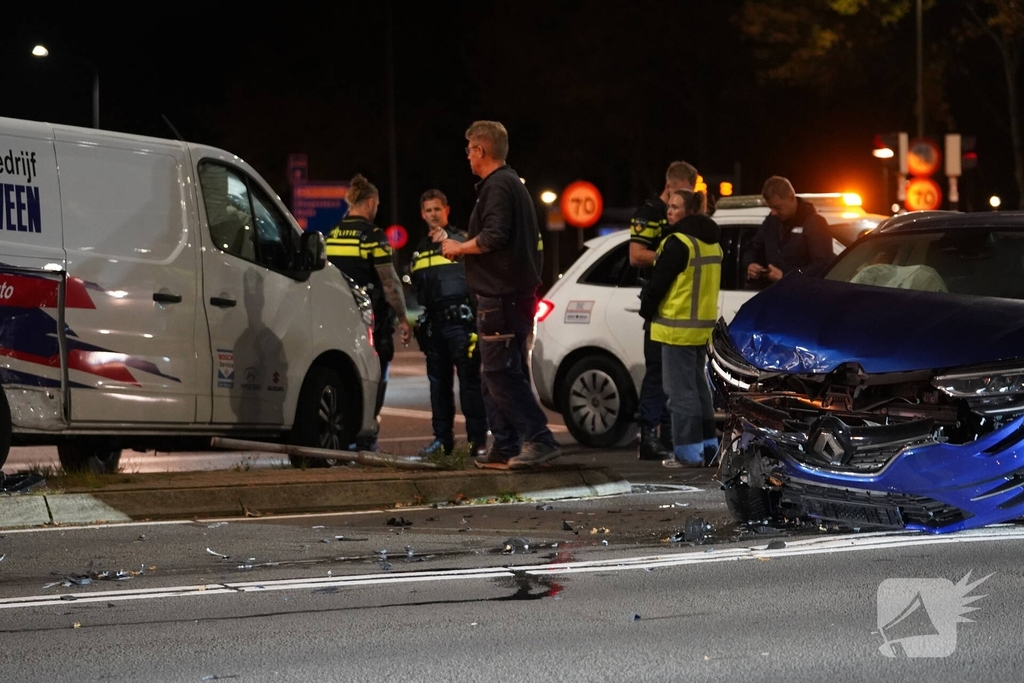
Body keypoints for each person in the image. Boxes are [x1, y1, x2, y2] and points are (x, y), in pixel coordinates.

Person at [440, 120, 562, 470]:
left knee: (500, 373)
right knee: (496, 372)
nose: (467, 157)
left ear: (480, 150)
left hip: (502, 297)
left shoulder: (497, 187)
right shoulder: (511, 184)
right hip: (512, 296)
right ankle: (506, 444)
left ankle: (539, 440)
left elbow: (494, 236)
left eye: (469, 150)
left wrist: (459, 247)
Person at [325, 173, 411, 450]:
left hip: (338, 319)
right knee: (376, 376)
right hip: (371, 321)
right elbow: (389, 282)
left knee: (344, 374)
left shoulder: (333, 233)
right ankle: (366, 434)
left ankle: (342, 433)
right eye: (377, 205)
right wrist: (402, 317)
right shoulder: (373, 236)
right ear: (371, 202)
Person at [639, 189, 722, 468]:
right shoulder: (712, 242)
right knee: (699, 391)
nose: (669, 212)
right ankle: (708, 450)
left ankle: (688, 455)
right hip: (701, 330)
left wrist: (645, 310)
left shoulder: (677, 243)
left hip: (676, 330)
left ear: (688, 211)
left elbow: (657, 285)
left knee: (680, 394)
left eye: (675, 207)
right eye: (669, 206)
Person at [628, 160, 699, 461]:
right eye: (684, 192)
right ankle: (648, 436)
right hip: (659, 305)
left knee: (673, 374)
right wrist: (669, 256)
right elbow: (636, 255)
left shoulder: (682, 220)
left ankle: (669, 435)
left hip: (677, 307)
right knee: (657, 372)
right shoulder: (650, 214)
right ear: (671, 186)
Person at [410, 189, 489, 458]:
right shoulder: (420, 249)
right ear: (422, 214)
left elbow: (479, 278)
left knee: (469, 384)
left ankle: (477, 441)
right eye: (428, 210)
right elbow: (418, 289)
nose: (433, 214)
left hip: (461, 323)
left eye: (437, 209)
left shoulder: (462, 242)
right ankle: (442, 441)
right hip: (434, 325)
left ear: (447, 210)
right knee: (438, 386)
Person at [743, 176, 833, 286]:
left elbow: (823, 265)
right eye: (771, 207)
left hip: (803, 295)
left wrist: (785, 276)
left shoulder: (814, 223)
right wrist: (751, 264)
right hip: (775, 294)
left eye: (777, 207)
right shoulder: (772, 222)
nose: (773, 213)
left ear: (791, 198)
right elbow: (753, 247)